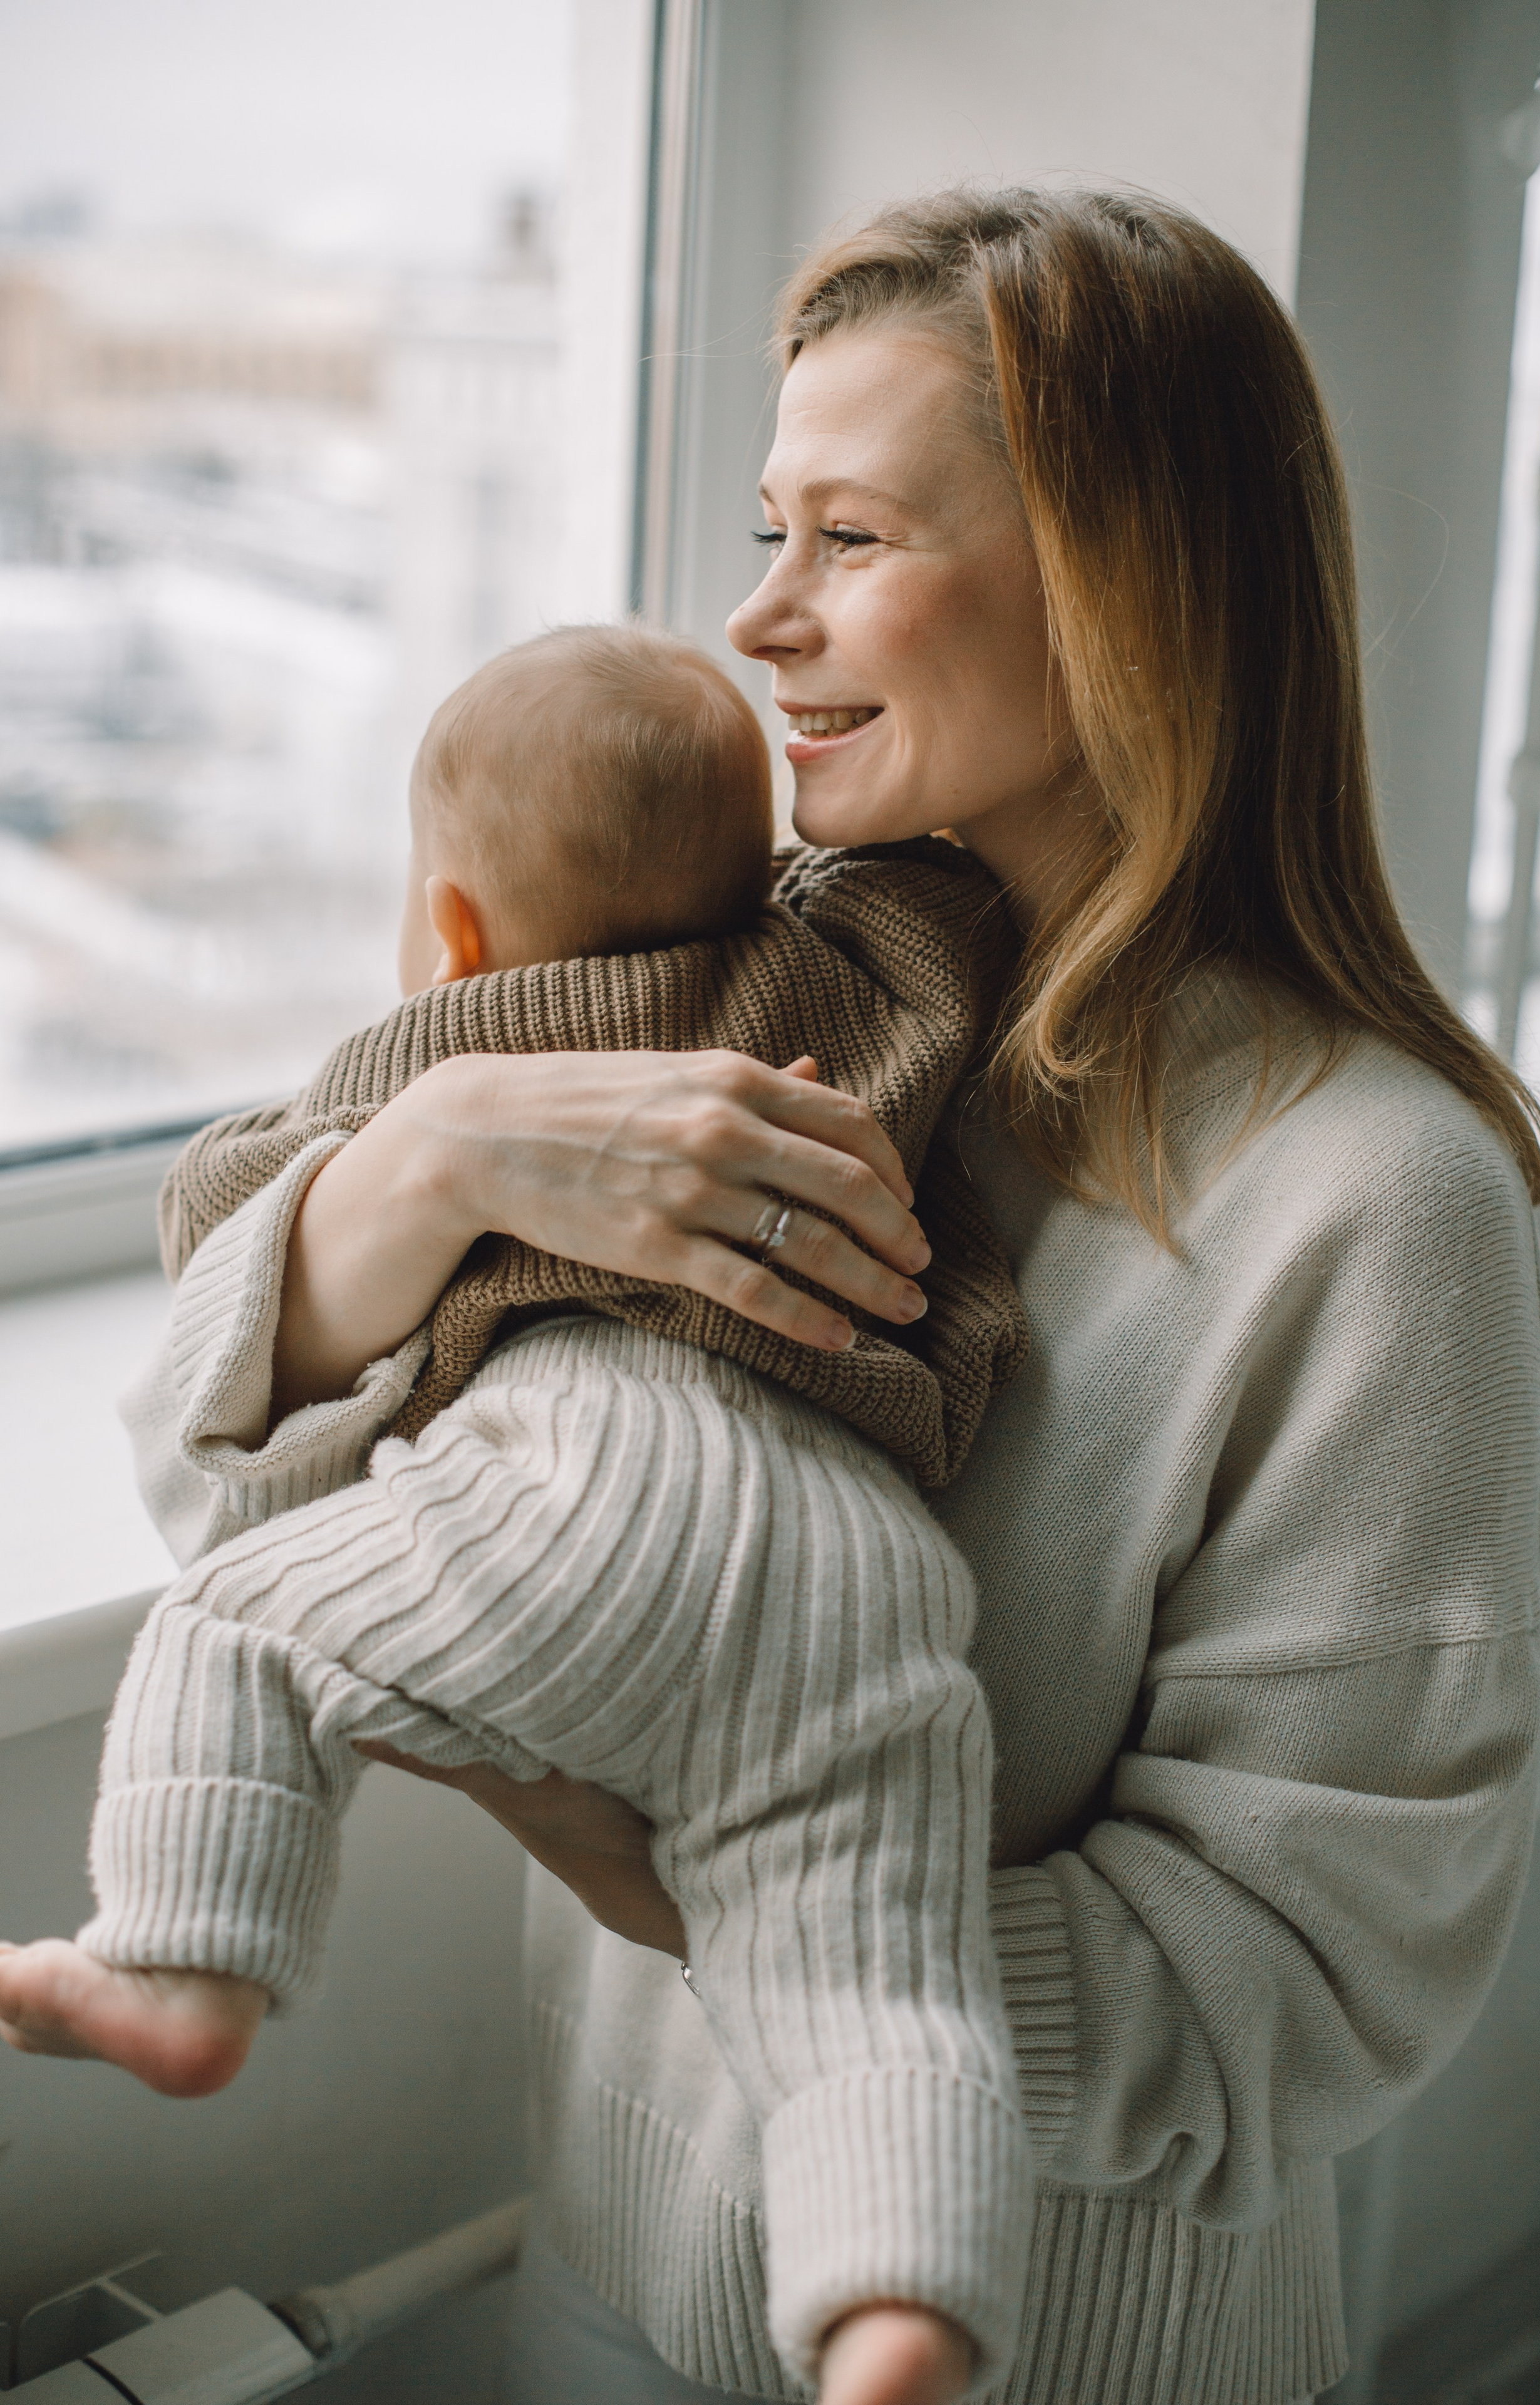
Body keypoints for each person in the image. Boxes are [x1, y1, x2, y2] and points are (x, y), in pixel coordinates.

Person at [19, 187, 1540, 2405]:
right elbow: (221, 1501)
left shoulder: (1374, 1203)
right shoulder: (757, 987)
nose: (757, 618)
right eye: (771, 529)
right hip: (614, 2266)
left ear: (1128, 595)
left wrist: (690, 1878)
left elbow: (1304, 1998)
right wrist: (439, 1162)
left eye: (849, 540)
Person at [0, 624, 1038, 2405]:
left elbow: (219, 1211)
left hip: (590, 1489)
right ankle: (896, 2304)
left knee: (239, 1626)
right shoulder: (868, 996)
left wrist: (422, 1107)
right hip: (864, 1564)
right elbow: (938, 905)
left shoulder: (455, 1044)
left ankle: (187, 1970)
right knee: (878, 1958)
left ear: (455, 927)